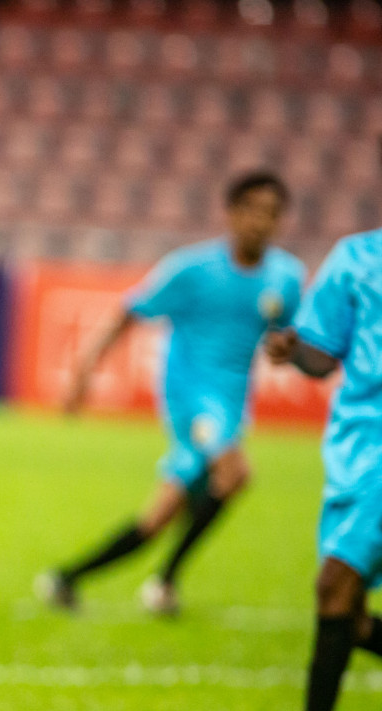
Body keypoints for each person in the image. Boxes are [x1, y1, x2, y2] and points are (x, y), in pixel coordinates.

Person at [36, 172, 304, 615]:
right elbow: (128, 312)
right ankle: (164, 583)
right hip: (191, 399)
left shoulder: (286, 279)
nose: (261, 222)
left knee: (159, 517)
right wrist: (83, 370)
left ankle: (66, 579)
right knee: (235, 474)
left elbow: (293, 340)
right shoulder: (192, 269)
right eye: (253, 210)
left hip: (231, 407)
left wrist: (289, 350)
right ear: (231, 213)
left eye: (271, 214)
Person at [261, 227, 382, 711]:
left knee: (333, 584)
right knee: (349, 614)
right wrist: (292, 351)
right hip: (357, 448)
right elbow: (322, 352)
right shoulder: (357, 258)